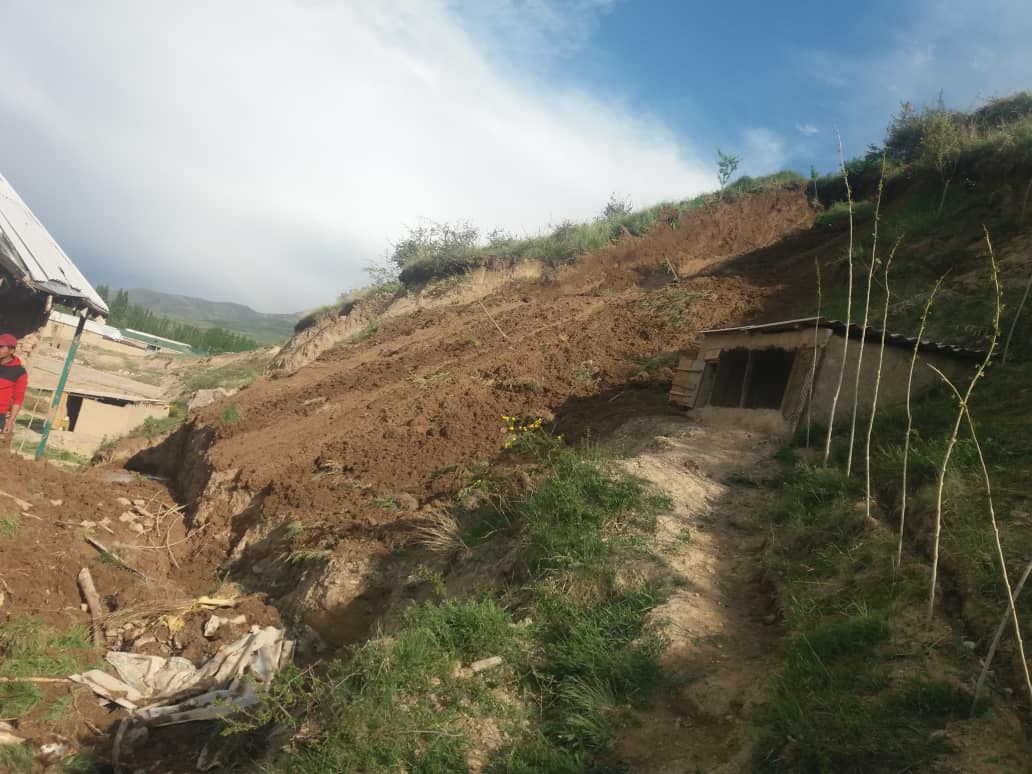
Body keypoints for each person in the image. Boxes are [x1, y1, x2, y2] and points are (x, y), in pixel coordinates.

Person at [0, 334, 27, 444]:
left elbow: (18, 399)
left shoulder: (19, 372)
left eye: (1, 347)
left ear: (11, 350)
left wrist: (10, 421)